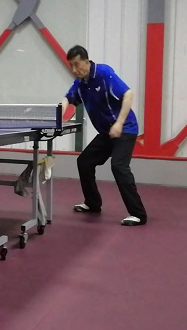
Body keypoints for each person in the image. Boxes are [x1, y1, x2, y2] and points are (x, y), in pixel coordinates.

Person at [62, 45, 147, 226]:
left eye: (77, 64)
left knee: (118, 166)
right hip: (107, 133)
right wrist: (58, 113)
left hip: (125, 128)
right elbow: (68, 98)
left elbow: (128, 94)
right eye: (71, 65)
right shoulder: (80, 83)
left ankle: (138, 214)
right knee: (84, 161)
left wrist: (119, 123)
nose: (74, 70)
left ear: (86, 61)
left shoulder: (103, 73)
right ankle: (93, 203)